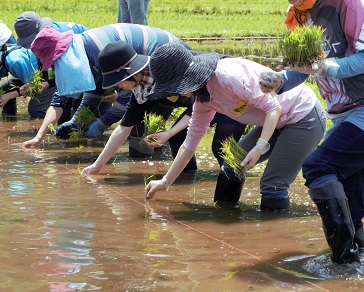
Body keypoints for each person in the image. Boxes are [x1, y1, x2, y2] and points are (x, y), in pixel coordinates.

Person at [143, 43, 326, 212]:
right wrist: (165, 181)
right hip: (277, 122)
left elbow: (273, 108)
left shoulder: (227, 76)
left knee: (273, 185)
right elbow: (190, 143)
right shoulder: (203, 99)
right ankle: (226, 219)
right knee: (231, 165)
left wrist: (258, 147)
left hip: (303, 116)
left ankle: (274, 242)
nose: (178, 93)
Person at [260, 0, 364, 264]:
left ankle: (342, 260)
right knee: (350, 205)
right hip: (342, 113)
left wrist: (325, 66)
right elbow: (302, 68)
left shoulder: (349, 5)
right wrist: (280, 80)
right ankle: (354, 260)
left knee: (319, 166)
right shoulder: (298, 13)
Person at [81, 41, 247, 199]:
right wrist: (98, 165)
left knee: (222, 149)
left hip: (231, 96)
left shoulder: (169, 69)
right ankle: (185, 182)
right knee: (177, 138)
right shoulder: (142, 88)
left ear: (130, 72)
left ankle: (228, 207)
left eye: (119, 81)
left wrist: (169, 132)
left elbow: (198, 103)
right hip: (202, 106)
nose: (118, 86)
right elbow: (124, 128)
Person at [21, 23, 193, 150]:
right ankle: (156, 160)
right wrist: (76, 121)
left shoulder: (100, 52)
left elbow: (127, 97)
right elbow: (94, 89)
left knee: (142, 130)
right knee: (142, 128)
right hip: (143, 75)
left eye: (53, 63)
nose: (53, 67)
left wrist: (102, 124)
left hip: (169, 61)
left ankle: (155, 172)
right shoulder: (80, 51)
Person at [14, 11, 90, 123]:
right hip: (73, 69)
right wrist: (37, 84)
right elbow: (44, 66)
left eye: (30, 41)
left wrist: (49, 84)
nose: (30, 45)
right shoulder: (41, 39)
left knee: (82, 111)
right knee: (64, 112)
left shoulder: (57, 38)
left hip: (89, 66)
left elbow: (69, 73)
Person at [0, 36, 54, 118]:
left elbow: (32, 87)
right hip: (31, 75)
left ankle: (46, 128)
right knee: (5, 87)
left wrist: (9, 96)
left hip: (48, 77)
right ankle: (9, 119)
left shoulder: (13, 61)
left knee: (35, 109)